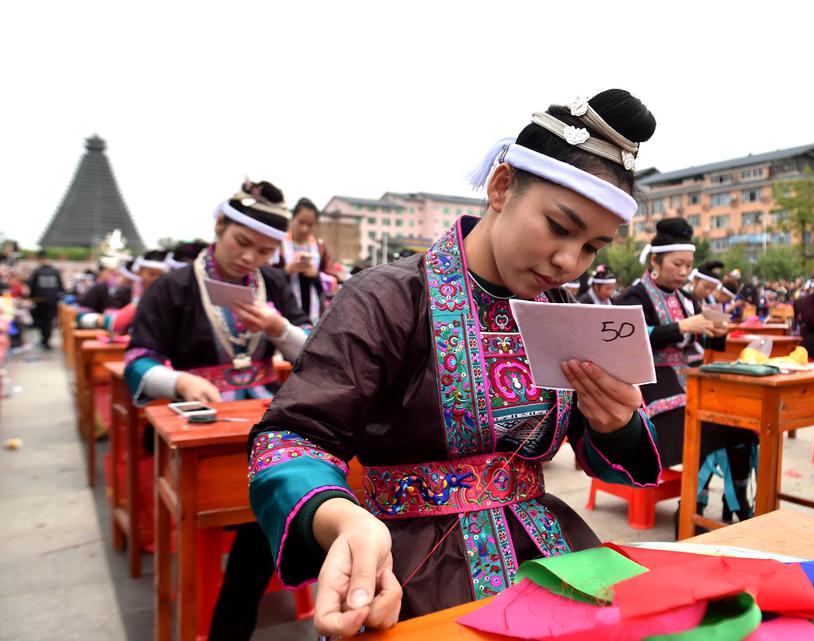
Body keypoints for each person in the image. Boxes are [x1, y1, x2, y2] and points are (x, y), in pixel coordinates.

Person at [249, 89, 663, 637]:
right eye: (560, 228)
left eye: (592, 247)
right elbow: (290, 440)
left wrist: (620, 424)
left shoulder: (565, 314)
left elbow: (600, 446)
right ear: (501, 187)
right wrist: (343, 519)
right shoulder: (388, 298)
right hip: (407, 564)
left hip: (547, 554)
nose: (569, 262)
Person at [124, 180, 310, 640]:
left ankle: (234, 615)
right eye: (241, 243)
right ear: (219, 226)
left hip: (261, 422)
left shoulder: (276, 285)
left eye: (264, 251)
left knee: (274, 497)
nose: (250, 258)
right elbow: (136, 362)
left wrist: (279, 327)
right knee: (261, 505)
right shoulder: (173, 288)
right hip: (195, 424)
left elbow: (313, 353)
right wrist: (181, 380)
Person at [616, 218, 758, 527]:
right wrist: (680, 326)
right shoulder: (634, 297)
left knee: (744, 425)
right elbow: (626, 339)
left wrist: (718, 330)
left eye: (688, 266)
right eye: (677, 264)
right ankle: (693, 507)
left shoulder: (688, 299)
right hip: (654, 390)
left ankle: (735, 501)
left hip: (692, 381)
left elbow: (704, 341)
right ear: (655, 260)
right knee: (710, 429)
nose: (683, 272)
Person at [282, 197, 342, 323]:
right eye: (301, 222)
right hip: (283, 311)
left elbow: (333, 279)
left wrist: (315, 275)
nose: (305, 228)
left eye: (310, 224)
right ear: (292, 218)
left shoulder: (319, 247)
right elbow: (265, 275)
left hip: (314, 313)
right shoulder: (279, 245)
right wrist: (287, 270)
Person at [27, 250, 64, 349]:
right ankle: (46, 339)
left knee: (41, 320)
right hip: (52, 300)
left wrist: (32, 298)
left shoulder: (37, 271)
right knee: (48, 320)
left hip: (39, 300)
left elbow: (32, 286)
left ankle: (44, 339)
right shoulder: (54, 271)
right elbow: (60, 287)